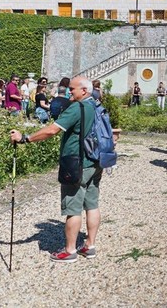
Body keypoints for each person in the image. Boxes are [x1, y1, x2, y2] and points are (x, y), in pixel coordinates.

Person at [10, 76, 104, 263]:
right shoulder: (97, 105)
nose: (69, 91)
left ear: (84, 91)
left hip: (76, 164)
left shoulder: (77, 108)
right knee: (92, 204)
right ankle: (89, 245)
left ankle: (69, 251)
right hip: (95, 161)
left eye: (73, 89)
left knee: (73, 207)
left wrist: (25, 139)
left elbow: (52, 130)